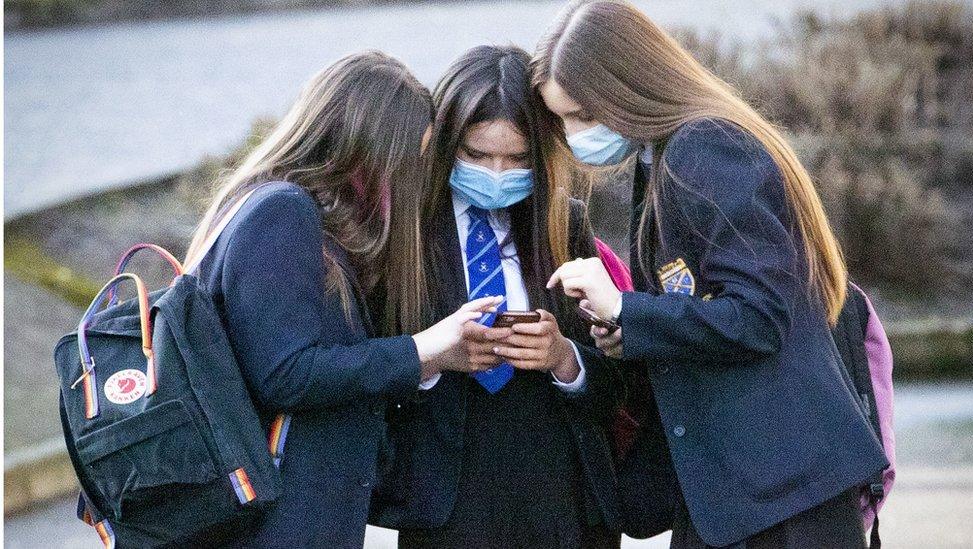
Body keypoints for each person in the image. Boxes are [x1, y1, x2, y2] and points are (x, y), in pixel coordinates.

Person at [534, 2, 889, 548]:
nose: (575, 135)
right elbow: (708, 302)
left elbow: (761, 314)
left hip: (785, 498)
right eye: (562, 121)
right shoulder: (663, 156)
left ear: (629, 86)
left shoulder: (705, 147)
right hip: (744, 498)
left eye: (583, 115)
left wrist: (629, 309)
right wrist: (627, 331)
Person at [183, 50, 501, 548]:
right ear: (368, 148)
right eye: (407, 159)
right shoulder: (284, 212)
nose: (412, 176)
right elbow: (285, 373)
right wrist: (423, 349)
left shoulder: (284, 213)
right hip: (277, 521)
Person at [369, 45, 622, 549]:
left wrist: (565, 359)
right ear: (444, 145)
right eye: (478, 155)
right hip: (446, 503)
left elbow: (617, 375)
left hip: (558, 495)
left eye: (518, 158)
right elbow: (365, 366)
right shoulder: (404, 230)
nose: (498, 174)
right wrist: (432, 357)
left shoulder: (561, 220)